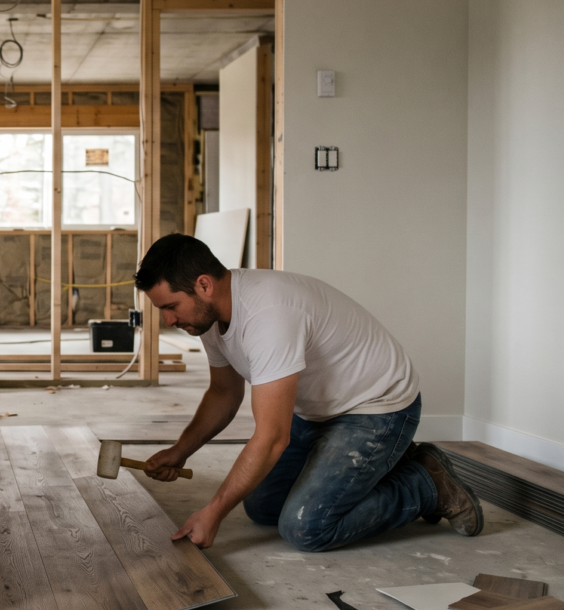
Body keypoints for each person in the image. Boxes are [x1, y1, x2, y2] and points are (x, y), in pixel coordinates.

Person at [137, 234, 481, 552]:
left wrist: (212, 513)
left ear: (203, 285)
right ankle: (383, 466)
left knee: (307, 527)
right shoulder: (209, 317)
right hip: (318, 413)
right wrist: (181, 451)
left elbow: (272, 438)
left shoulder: (268, 315)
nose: (168, 320)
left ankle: (426, 484)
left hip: (377, 408)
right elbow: (224, 394)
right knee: (262, 506)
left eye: (171, 306)